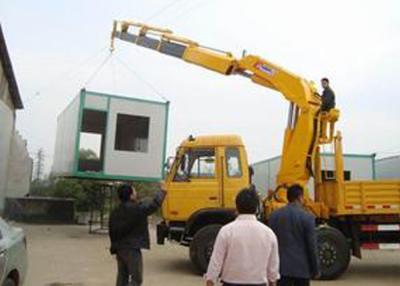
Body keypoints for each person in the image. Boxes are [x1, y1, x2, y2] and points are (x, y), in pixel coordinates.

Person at [205, 188, 280, 286]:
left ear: (237, 206)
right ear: (256, 207)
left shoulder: (226, 231)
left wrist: (210, 281)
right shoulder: (269, 233)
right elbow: (273, 269)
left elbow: (215, 262)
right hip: (259, 283)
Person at [109, 184, 166, 286]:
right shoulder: (137, 208)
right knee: (136, 278)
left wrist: (115, 247)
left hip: (119, 248)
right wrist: (162, 191)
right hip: (131, 249)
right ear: (131, 195)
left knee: (122, 276)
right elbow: (154, 205)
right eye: (134, 191)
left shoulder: (115, 211)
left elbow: (112, 231)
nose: (136, 193)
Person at [269, 185, 320, 286]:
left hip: (282, 269)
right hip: (302, 270)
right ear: (300, 197)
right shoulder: (307, 217)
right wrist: (315, 269)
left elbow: (271, 244)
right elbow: (311, 246)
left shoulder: (274, 216)